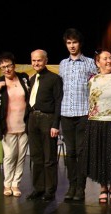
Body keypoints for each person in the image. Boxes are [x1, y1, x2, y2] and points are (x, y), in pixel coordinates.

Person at [82, 49, 111, 204]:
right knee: (100, 155)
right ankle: (103, 188)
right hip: (96, 121)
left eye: (110, 58)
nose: (109, 61)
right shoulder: (92, 80)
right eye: (105, 58)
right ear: (97, 62)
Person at [59, 28, 97, 201]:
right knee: (70, 152)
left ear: (80, 43)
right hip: (66, 112)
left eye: (74, 42)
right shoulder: (63, 64)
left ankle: (80, 188)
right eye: (69, 43)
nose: (72, 46)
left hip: (83, 113)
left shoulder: (89, 62)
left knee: (81, 152)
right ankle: (71, 186)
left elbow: (95, 87)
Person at [0, 52, 30, 197]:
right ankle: (7, 184)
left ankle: (16, 184)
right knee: (10, 156)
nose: (6, 69)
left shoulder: (23, 78)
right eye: (3, 67)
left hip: (24, 125)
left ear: (14, 65)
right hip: (7, 127)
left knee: (21, 156)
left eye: (8, 66)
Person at [26, 49, 63, 201]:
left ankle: (50, 190)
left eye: (39, 60)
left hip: (48, 119)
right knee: (36, 156)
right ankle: (38, 188)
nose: (36, 63)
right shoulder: (32, 79)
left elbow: (58, 102)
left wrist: (55, 124)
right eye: (34, 60)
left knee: (49, 157)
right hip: (33, 119)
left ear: (46, 61)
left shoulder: (55, 79)